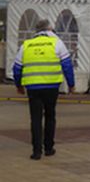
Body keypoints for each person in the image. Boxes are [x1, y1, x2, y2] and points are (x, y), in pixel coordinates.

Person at [13, 19, 75, 160]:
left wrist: (18, 85)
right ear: (49, 29)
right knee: (50, 116)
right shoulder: (57, 43)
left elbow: (17, 68)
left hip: (33, 87)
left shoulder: (26, 45)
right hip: (51, 86)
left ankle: (36, 152)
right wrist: (71, 84)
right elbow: (67, 65)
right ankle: (48, 148)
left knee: (35, 118)